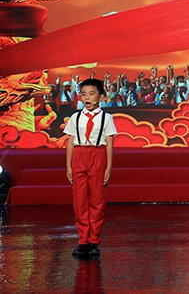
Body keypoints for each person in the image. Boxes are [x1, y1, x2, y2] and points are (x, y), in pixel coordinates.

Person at [64, 78, 118, 259]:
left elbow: (109, 144)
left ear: (101, 97)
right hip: (79, 155)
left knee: (97, 199)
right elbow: (70, 142)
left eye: (92, 93)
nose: (87, 97)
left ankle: (94, 240)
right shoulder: (75, 117)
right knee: (79, 200)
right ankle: (83, 240)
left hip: (98, 154)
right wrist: (69, 166)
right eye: (83, 94)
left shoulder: (106, 118)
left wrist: (108, 167)